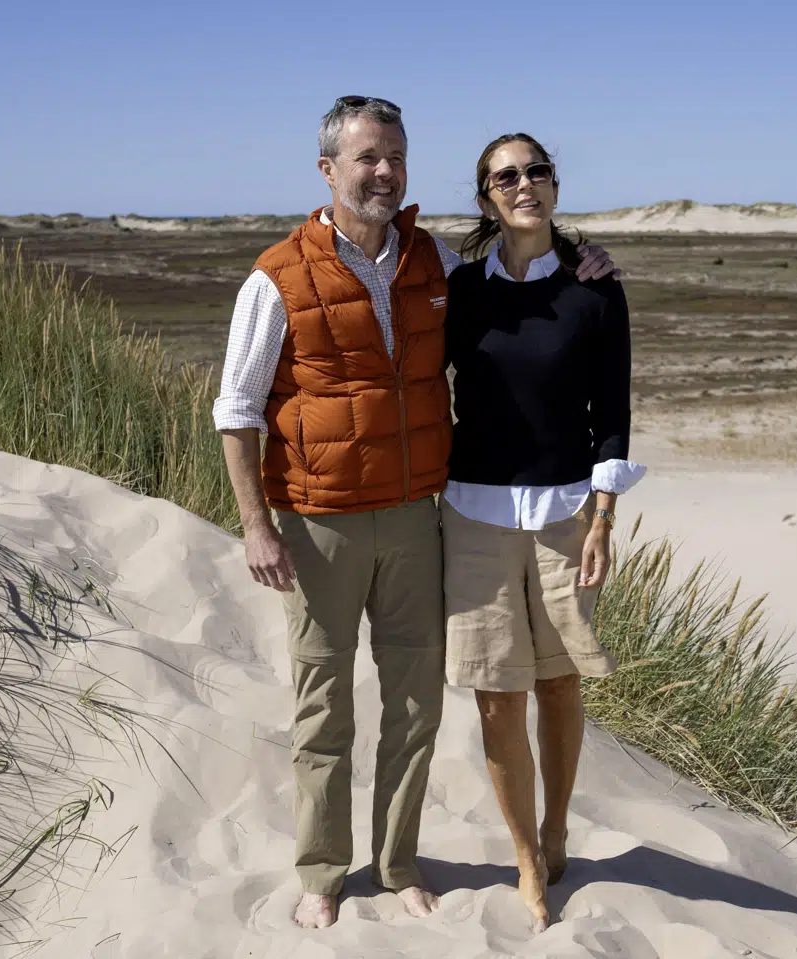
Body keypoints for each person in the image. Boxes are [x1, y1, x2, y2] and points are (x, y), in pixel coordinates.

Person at [212, 98, 615, 930]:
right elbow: (236, 407)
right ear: (328, 170)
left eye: (394, 155)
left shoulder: (430, 264)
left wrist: (585, 258)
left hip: (416, 516)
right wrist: (255, 523)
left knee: (415, 704)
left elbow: (526, 281)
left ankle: (397, 863)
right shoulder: (276, 273)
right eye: (366, 157)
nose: (384, 170)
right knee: (325, 703)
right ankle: (323, 873)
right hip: (319, 520)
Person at [441, 133, 644, 932]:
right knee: (498, 697)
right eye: (505, 176)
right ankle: (527, 858)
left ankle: (558, 826)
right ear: (486, 196)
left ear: (554, 184)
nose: (523, 184)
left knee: (560, 684)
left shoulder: (597, 289)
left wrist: (604, 517)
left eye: (536, 171)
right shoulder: (461, 291)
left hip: (566, 516)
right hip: (474, 513)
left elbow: (614, 417)